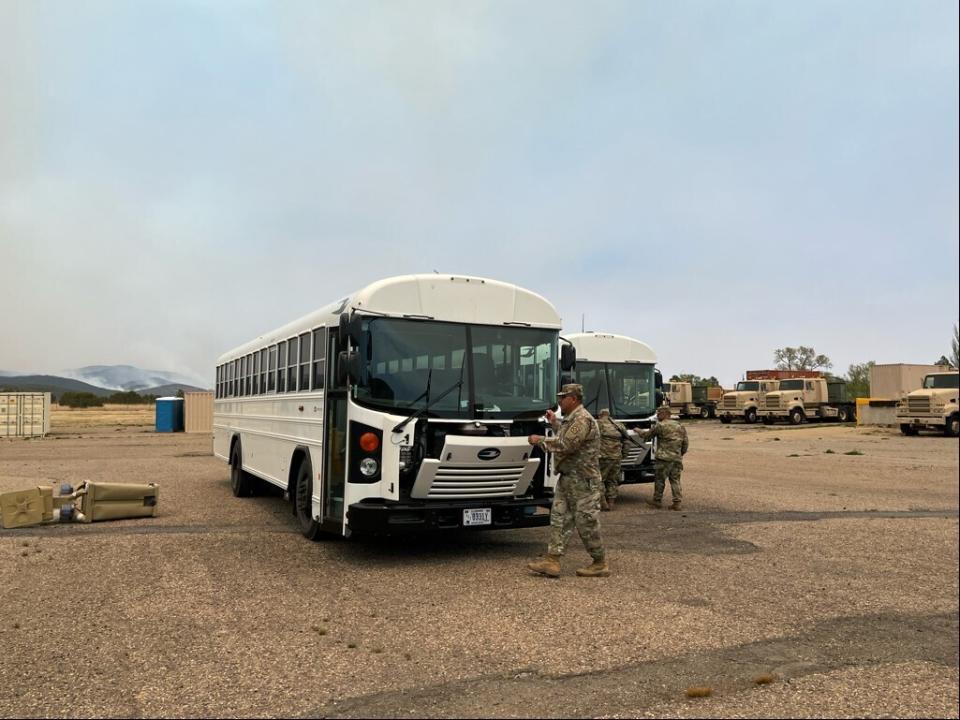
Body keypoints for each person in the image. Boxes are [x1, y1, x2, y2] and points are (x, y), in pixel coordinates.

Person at [526, 384, 609, 578]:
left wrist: (539, 440)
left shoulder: (582, 419)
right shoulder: (572, 419)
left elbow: (566, 444)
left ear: (573, 399)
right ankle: (552, 560)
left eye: (562, 398)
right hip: (568, 479)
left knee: (586, 522)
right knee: (559, 519)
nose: (559, 401)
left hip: (583, 481)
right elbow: (566, 434)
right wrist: (554, 422)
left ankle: (600, 562)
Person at [639, 406, 689, 510]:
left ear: (665, 413)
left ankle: (657, 501)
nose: (657, 415)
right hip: (676, 458)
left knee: (660, 480)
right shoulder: (680, 426)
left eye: (659, 413)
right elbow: (685, 443)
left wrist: (638, 430)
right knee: (675, 480)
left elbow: (646, 435)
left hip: (663, 459)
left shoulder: (660, 426)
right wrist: (679, 454)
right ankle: (677, 503)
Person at [596, 409, 627, 511]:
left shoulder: (597, 424)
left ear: (600, 415)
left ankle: (603, 502)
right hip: (616, 457)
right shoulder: (619, 425)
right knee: (613, 480)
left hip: (602, 457)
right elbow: (627, 441)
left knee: (599, 479)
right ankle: (611, 503)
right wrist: (624, 454)